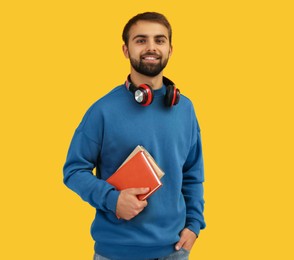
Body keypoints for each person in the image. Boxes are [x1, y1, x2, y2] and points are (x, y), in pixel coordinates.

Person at [63, 12, 206, 260]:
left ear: (170, 49)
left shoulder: (185, 109)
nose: (151, 47)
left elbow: (192, 174)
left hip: (175, 251)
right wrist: (112, 199)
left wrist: (194, 225)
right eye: (141, 40)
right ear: (126, 50)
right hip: (116, 253)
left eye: (159, 40)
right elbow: (74, 170)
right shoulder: (103, 110)